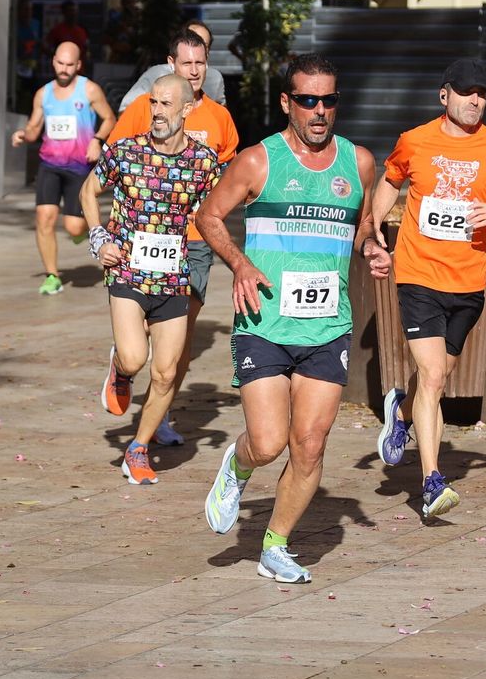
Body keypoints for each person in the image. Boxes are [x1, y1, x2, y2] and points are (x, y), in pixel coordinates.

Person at [196, 53, 392, 583]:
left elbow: (362, 228)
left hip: (328, 326)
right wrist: (239, 264)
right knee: (268, 442)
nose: (320, 111)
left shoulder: (360, 163)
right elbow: (208, 215)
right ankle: (237, 469)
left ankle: (276, 545)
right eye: (308, 100)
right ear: (287, 103)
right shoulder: (259, 161)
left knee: (310, 442)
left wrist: (372, 248)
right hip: (264, 321)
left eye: (329, 100)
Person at [367, 58, 486, 518]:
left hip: (469, 284)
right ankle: (430, 481)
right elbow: (390, 181)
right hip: (419, 275)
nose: (475, 100)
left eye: (482, 92)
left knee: (434, 379)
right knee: (436, 378)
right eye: (465, 92)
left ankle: (400, 411)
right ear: (445, 96)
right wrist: (374, 227)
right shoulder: (416, 140)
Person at [81, 74, 221, 485]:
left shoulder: (202, 162)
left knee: (166, 372)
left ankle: (138, 448)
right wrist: (98, 237)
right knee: (136, 359)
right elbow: (89, 191)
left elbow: (226, 200)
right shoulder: (126, 152)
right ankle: (121, 371)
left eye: (165, 104)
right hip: (126, 269)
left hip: (173, 278)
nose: (157, 112)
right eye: (153, 104)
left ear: (187, 109)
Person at [102, 30, 239, 445]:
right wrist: (107, 231)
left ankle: (158, 414)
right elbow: (115, 163)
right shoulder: (152, 109)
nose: (195, 70)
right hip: (139, 241)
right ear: (172, 64)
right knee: (138, 339)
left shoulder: (219, 117)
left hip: (195, 242)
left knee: (179, 338)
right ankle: (125, 365)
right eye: (187, 63)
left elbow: (228, 179)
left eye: (201, 63)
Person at [12, 41, 116, 295]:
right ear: (53, 61)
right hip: (49, 164)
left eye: (70, 65)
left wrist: (97, 140)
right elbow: (35, 127)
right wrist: (23, 134)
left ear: (78, 65)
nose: (64, 69)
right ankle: (52, 275)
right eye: (60, 63)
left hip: (79, 167)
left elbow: (110, 118)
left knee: (74, 227)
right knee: (44, 219)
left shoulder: (89, 90)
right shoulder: (43, 94)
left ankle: (81, 231)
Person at [120, 19, 228, 107]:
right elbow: (126, 111)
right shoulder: (157, 74)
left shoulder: (215, 78)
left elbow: (222, 118)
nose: (194, 71)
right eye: (188, 41)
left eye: (202, 44)